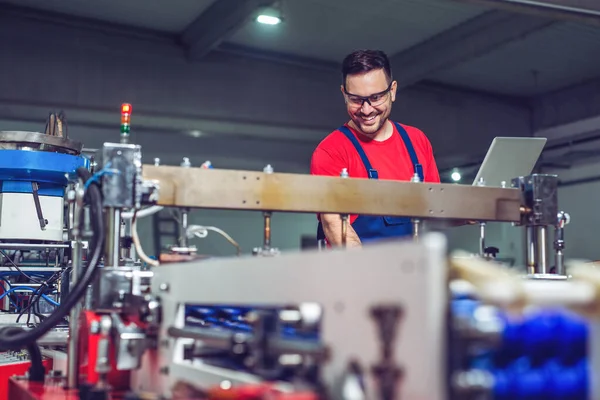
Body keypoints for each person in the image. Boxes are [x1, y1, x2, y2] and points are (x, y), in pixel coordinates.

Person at [310, 49, 441, 247]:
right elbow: (334, 224)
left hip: (413, 268)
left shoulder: (417, 141)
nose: (366, 109)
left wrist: (474, 209)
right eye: (355, 99)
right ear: (344, 94)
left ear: (393, 91)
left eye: (376, 97)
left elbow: (436, 211)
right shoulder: (331, 151)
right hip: (359, 272)